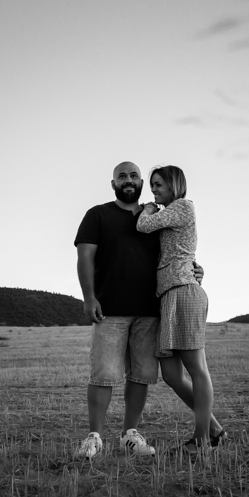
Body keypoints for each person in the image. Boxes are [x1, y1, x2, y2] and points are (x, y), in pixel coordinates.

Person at [73, 161, 203, 461]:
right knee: (104, 374)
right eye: (122, 176)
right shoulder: (98, 214)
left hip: (151, 310)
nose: (128, 180)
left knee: (142, 375)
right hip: (111, 308)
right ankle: (94, 437)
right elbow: (85, 258)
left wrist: (195, 269)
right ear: (113, 183)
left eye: (133, 176)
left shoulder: (158, 216)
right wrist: (89, 297)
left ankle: (130, 435)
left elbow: (176, 249)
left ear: (142, 181)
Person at [136, 165, 225, 456]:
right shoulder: (173, 213)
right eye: (152, 186)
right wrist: (197, 268)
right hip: (169, 295)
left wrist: (147, 209)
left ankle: (201, 441)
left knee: (196, 368)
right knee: (172, 374)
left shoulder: (182, 206)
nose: (154, 191)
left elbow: (143, 225)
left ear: (174, 184)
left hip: (183, 294)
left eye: (158, 185)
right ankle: (213, 429)